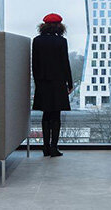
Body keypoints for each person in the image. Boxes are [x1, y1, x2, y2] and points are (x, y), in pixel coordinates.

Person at [32, 12, 73, 157]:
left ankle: (45, 147)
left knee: (46, 115)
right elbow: (65, 63)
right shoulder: (61, 42)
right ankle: (54, 148)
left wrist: (37, 83)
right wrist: (70, 82)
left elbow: (34, 65)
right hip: (58, 82)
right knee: (56, 116)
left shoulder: (36, 41)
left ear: (44, 26)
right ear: (59, 27)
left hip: (42, 83)